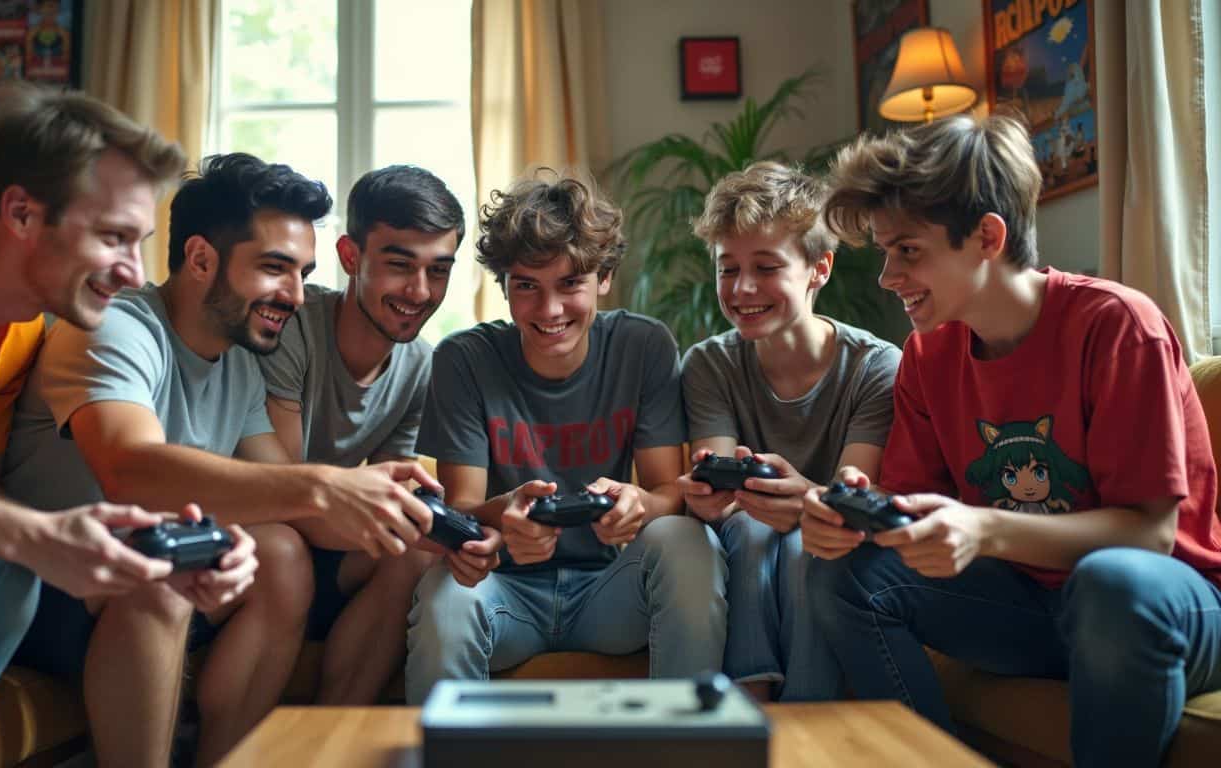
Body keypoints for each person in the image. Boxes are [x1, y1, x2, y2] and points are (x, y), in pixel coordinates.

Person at [801, 113, 1221, 766]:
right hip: (1031, 607)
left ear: (987, 237)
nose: (887, 276)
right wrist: (858, 510)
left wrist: (986, 530)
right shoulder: (928, 356)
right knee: (842, 574)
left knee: (1111, 586)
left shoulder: (1116, 326)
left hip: (1165, 605)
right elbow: (918, 509)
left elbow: (1151, 537)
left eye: (907, 250)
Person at [3, 153, 441, 766]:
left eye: (304, 272)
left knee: (281, 553)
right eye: (274, 269)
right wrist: (322, 486)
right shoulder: (114, 327)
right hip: (43, 586)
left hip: (139, 576)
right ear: (202, 258)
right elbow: (130, 469)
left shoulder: (237, 362)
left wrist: (418, 519)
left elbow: (281, 490)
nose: (295, 296)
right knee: (159, 567)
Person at [0, 84, 196, 768]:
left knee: (1, 569)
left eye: (139, 243)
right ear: (21, 212)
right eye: (113, 237)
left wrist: (112, 554)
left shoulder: (18, 328)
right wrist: (38, 534)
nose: (135, 274)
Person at [405, 170, 727, 704]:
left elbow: (669, 492)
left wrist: (638, 503)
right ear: (504, 285)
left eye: (570, 284)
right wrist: (505, 515)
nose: (550, 311)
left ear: (603, 277)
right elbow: (463, 507)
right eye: (527, 286)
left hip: (609, 592)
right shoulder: (465, 359)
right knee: (444, 589)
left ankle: (686, 747)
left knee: (688, 541)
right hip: (505, 594)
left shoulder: (642, 346)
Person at [677, 161, 899, 701]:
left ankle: (804, 716)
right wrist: (707, 500)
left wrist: (808, 501)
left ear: (818, 268)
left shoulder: (876, 366)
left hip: (827, 541)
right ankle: (751, 700)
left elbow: (854, 492)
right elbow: (721, 490)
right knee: (752, 529)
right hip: (745, 536)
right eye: (727, 268)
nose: (743, 288)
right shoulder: (708, 364)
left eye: (766, 266)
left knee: (808, 548)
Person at [259, 164, 480, 704]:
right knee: (298, 539)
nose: (420, 291)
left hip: (327, 546)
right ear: (350, 257)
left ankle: (337, 735)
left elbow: (390, 488)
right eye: (399, 265)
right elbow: (282, 492)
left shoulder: (422, 367)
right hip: (265, 536)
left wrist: (448, 533)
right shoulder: (291, 328)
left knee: (418, 554)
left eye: (439, 270)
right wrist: (393, 518)